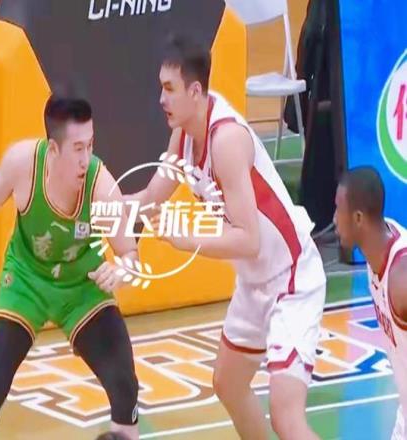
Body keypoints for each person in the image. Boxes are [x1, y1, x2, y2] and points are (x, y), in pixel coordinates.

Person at [127, 34, 326, 439]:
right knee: (228, 383)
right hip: (254, 281)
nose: (161, 99)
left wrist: (185, 239)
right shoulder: (184, 135)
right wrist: (96, 205)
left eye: (169, 89)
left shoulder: (226, 140)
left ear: (195, 91)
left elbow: (249, 240)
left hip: (291, 278)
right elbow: (150, 198)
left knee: (286, 417)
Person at [0, 96, 140, 440]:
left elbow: (130, 255)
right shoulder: (23, 164)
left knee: (126, 389)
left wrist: (120, 273)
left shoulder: (102, 187)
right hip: (25, 284)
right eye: (77, 149)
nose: (86, 159)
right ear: (53, 149)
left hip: (82, 288)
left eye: (90, 145)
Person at [334, 166, 407, 440]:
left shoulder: (401, 279)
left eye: (338, 209)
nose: (334, 219)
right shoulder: (378, 243)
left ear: (358, 218)